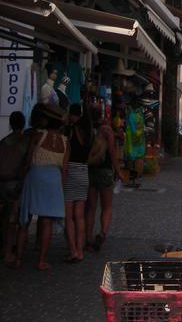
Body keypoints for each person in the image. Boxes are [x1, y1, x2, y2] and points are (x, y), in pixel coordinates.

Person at [15, 103, 69, 270]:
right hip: (54, 180)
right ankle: (41, 260)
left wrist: (21, 177)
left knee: (25, 218)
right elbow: (64, 169)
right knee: (46, 222)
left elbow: (28, 159)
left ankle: (17, 258)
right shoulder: (66, 142)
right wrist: (61, 188)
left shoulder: (38, 135)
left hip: (35, 176)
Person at [85, 106, 122, 253]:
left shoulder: (87, 129)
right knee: (107, 207)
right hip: (105, 171)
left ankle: (88, 240)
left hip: (90, 169)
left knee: (90, 208)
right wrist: (118, 171)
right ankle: (102, 233)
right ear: (102, 115)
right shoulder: (106, 130)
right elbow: (112, 153)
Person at [63, 104, 92, 263]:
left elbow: (66, 156)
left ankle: (73, 250)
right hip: (83, 171)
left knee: (69, 217)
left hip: (71, 171)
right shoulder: (89, 133)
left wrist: (63, 176)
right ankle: (80, 251)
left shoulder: (70, 131)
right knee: (79, 216)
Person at [0, 111, 29, 266]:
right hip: (15, 184)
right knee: (13, 220)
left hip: (2, 183)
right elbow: (26, 164)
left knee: (5, 218)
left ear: (11, 124)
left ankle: (5, 249)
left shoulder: (4, 141)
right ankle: (9, 253)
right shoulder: (25, 142)